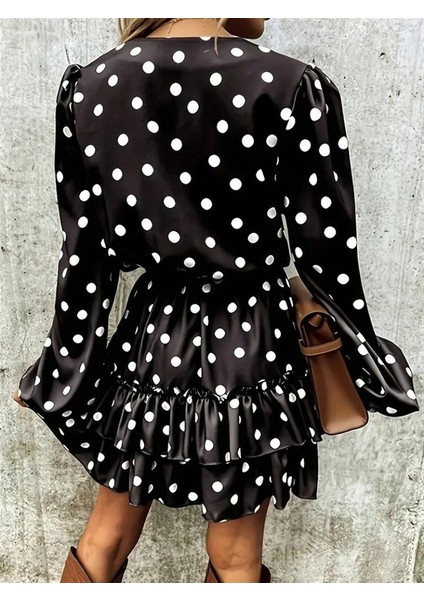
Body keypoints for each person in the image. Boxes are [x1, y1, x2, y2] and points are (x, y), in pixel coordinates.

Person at [12, 17, 419, 583]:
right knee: (235, 555)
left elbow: (86, 255)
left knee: (106, 535)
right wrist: (367, 362)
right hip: (251, 340)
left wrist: (62, 367)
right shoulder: (290, 84)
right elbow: (326, 252)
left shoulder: (93, 86)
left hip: (154, 336)